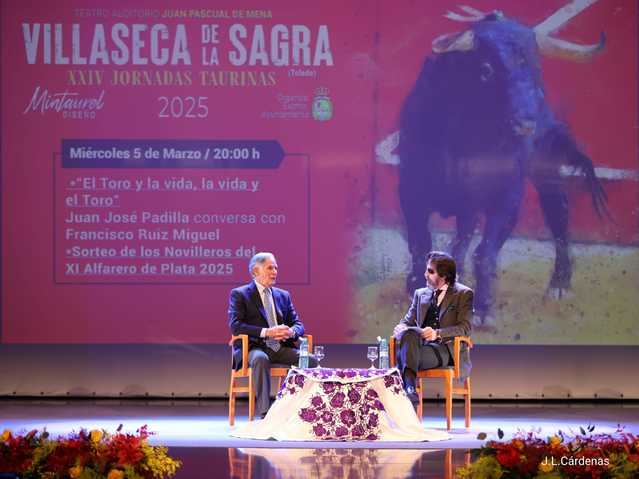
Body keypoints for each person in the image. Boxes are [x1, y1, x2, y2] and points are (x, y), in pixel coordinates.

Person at [228, 252, 316, 419]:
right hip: (254, 348)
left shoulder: (283, 295)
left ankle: (300, 409)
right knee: (261, 359)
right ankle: (265, 414)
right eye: (270, 267)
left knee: (311, 360)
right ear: (255, 271)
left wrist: (291, 331)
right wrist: (267, 332)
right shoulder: (240, 294)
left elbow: (298, 324)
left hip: (279, 347)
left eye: (276, 267)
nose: (274, 271)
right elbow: (236, 326)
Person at [393, 251, 473, 407]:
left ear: (444, 276)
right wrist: (401, 327)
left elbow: (465, 328)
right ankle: (410, 388)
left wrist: (437, 333)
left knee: (401, 359)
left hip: (446, 350)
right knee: (409, 333)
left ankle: (406, 386)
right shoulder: (420, 294)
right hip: (419, 347)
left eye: (430, 271)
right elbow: (407, 321)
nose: (425, 275)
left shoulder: (463, 294)